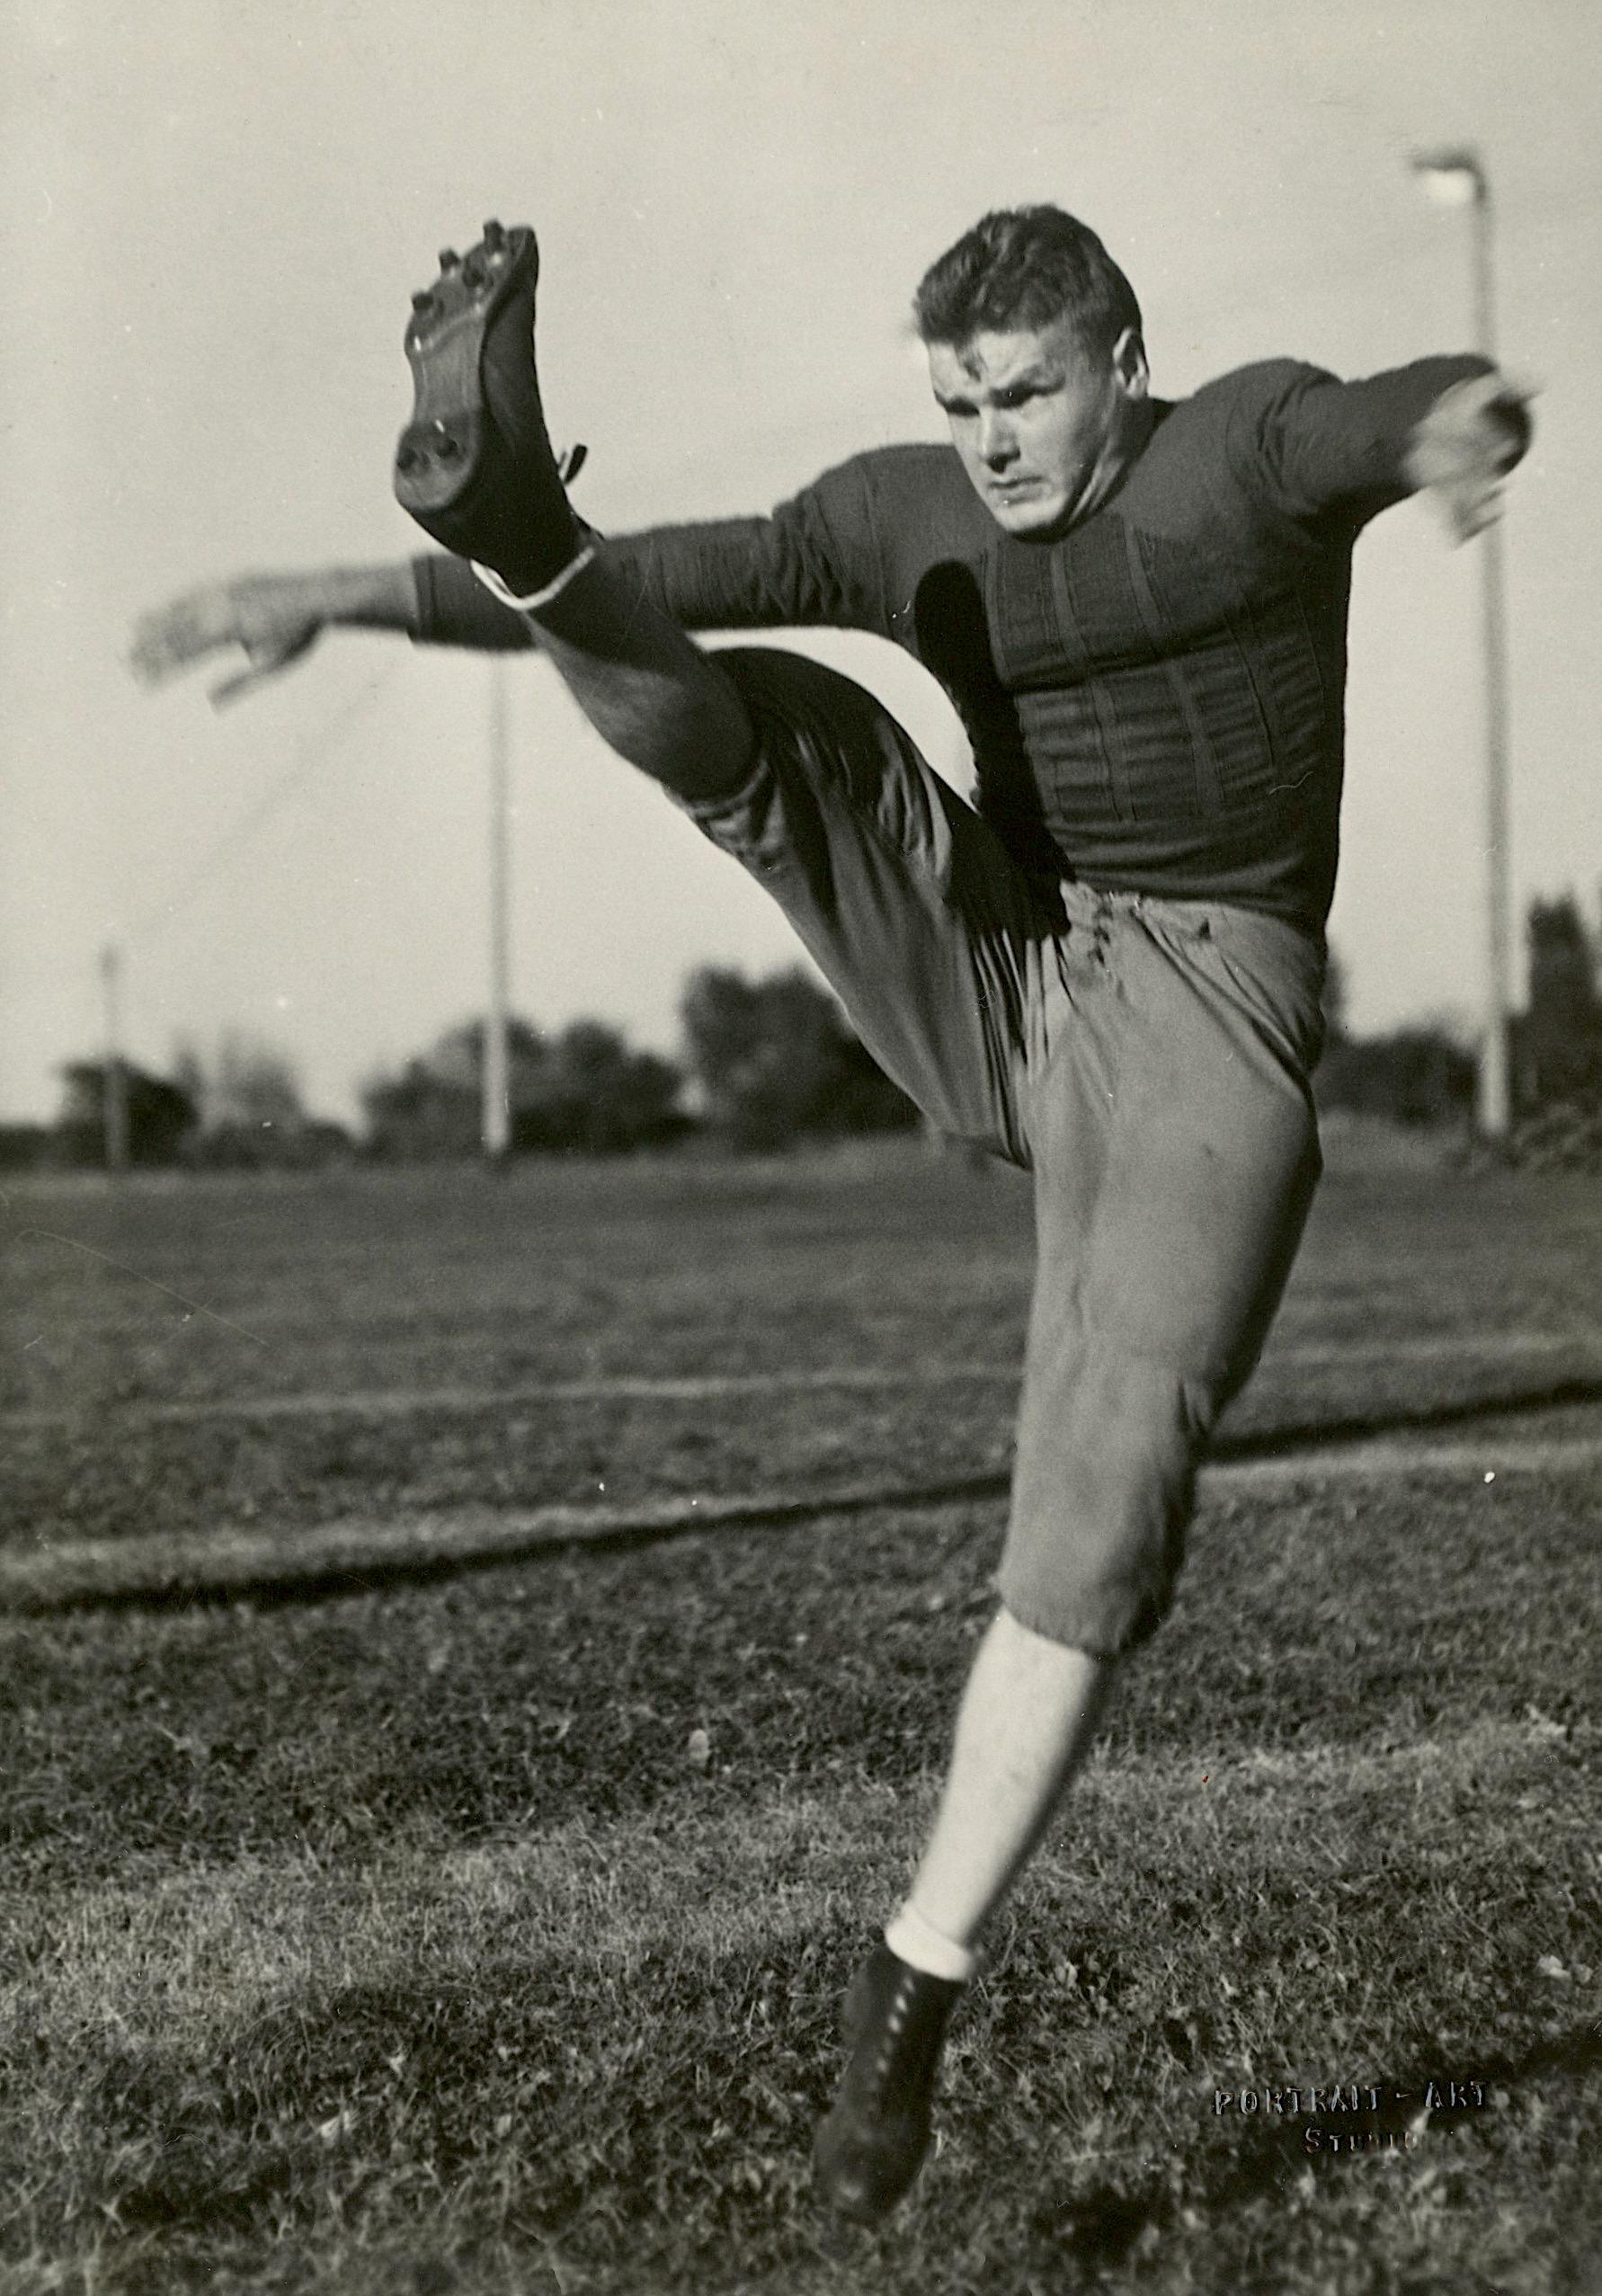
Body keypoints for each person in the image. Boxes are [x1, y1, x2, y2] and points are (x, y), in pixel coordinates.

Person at [132, 207, 1531, 2223]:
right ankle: (513, 514)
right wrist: (339, 588)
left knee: (1105, 1475)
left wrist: (1468, 420)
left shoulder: (1237, 443)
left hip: (1204, 1010)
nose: (991, 438)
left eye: (1028, 391)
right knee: (762, 715)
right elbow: (668, 579)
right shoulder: (909, 512)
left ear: (1123, 355)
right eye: (957, 401)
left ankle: (913, 1984)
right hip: (1002, 955)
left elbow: (1378, 423)